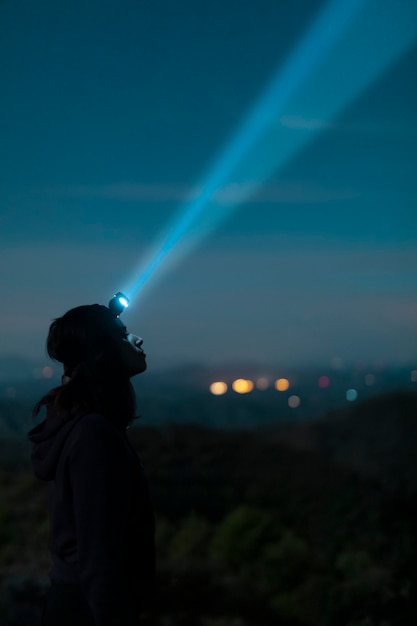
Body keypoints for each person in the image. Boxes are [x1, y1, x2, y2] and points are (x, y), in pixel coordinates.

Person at [28, 302, 155, 626]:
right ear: (103, 353)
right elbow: (98, 554)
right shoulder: (94, 435)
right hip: (87, 609)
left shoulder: (88, 428)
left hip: (79, 602)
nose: (137, 340)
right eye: (123, 335)